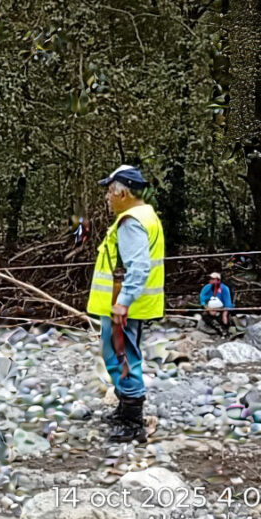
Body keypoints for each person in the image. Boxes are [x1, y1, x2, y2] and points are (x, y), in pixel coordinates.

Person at [87, 165, 165, 444]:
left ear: (123, 193)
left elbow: (138, 267)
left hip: (124, 306)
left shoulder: (131, 221)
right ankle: (125, 409)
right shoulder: (146, 215)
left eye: (110, 191)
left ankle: (133, 423)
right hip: (130, 304)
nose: (107, 197)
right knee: (122, 354)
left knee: (122, 358)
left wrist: (123, 302)